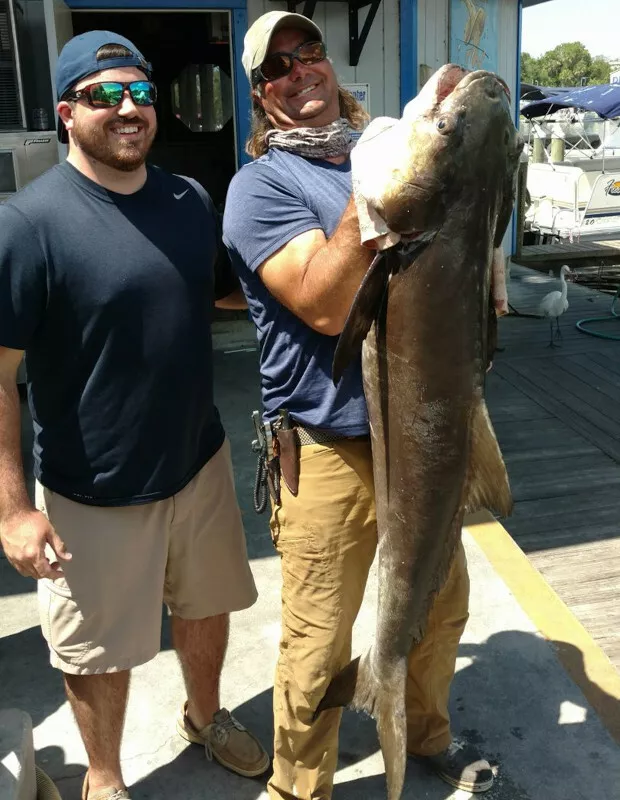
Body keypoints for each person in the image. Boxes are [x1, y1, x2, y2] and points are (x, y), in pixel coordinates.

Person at [223, 10, 495, 799]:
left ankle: (427, 731)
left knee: (439, 610)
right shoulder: (261, 187)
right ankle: (299, 786)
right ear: (260, 96)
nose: (300, 71)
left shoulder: (381, 148)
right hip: (326, 445)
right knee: (316, 642)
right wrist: (377, 195)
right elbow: (320, 305)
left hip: (425, 437)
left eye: (309, 53)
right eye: (277, 68)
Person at [0, 30, 268, 800]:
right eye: (104, 94)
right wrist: (15, 510)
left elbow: (216, 294)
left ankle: (207, 715)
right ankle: (107, 778)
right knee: (96, 653)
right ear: (65, 112)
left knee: (208, 604)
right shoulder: (29, 226)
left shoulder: (189, 200)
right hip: (94, 490)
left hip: (198, 459)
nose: (128, 107)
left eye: (141, 93)